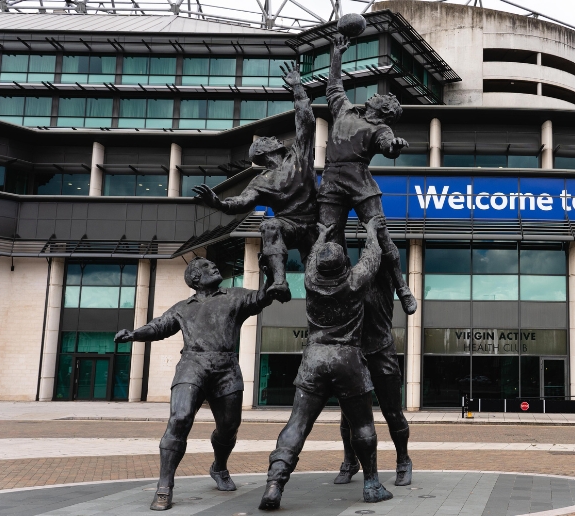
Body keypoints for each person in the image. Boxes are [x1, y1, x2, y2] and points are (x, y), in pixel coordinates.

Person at [115, 258, 276, 511]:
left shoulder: (234, 296)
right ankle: (164, 486)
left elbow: (262, 298)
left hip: (226, 367)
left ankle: (219, 467)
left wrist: (271, 276)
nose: (214, 266)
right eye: (206, 266)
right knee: (179, 419)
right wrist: (134, 334)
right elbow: (159, 326)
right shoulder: (182, 307)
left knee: (229, 427)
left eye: (214, 264)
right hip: (192, 364)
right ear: (195, 279)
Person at [259, 217, 393, 510]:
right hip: (349, 360)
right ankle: (371, 484)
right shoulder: (355, 281)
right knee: (362, 424)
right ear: (345, 263)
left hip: (315, 359)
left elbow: (311, 259)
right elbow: (373, 255)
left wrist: (321, 236)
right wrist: (371, 230)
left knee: (297, 424)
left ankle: (274, 484)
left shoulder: (310, 280)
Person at [193, 62, 317, 303]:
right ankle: (280, 282)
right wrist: (218, 203)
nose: (274, 138)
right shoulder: (261, 181)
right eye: (269, 139)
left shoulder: (299, 155)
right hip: (290, 227)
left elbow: (307, 121)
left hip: (317, 224)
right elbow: (240, 202)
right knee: (270, 226)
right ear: (265, 151)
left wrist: (298, 88)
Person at [317, 34, 417, 316]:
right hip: (332, 182)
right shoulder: (345, 111)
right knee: (327, 236)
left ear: (384, 109)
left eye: (379, 97)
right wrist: (336, 54)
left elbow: (388, 147)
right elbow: (334, 86)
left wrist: (395, 147)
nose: (374, 95)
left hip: (360, 182)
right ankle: (337, 290)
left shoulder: (381, 130)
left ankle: (402, 287)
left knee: (382, 234)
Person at [333, 252, 411, 486]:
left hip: (382, 352)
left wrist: (372, 227)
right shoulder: (343, 286)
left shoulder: (382, 278)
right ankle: (350, 461)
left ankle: (403, 460)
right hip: (355, 356)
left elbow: (389, 252)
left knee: (393, 412)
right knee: (348, 417)